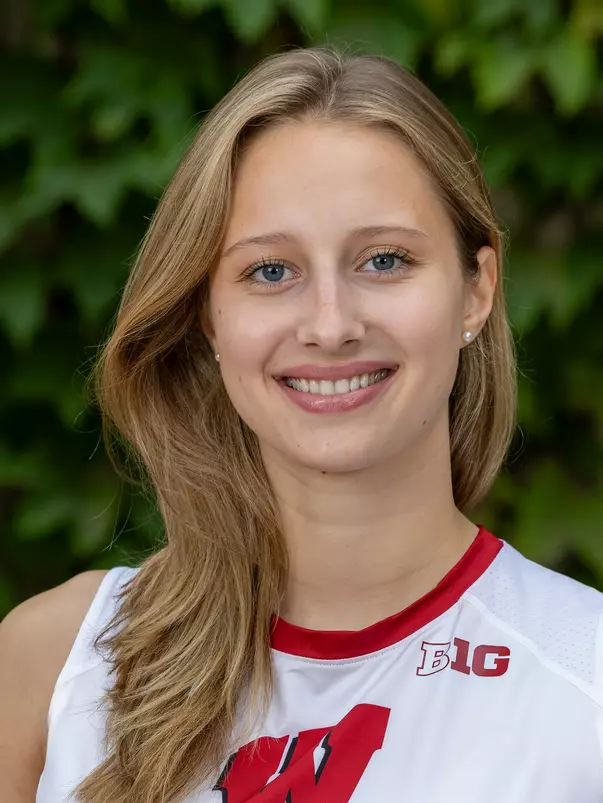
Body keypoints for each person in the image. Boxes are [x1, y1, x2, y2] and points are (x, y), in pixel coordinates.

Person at [1, 46, 602, 803]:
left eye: (383, 260)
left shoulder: (586, 681)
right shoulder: (59, 663)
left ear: (476, 290)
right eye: (270, 271)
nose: (329, 324)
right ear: (207, 316)